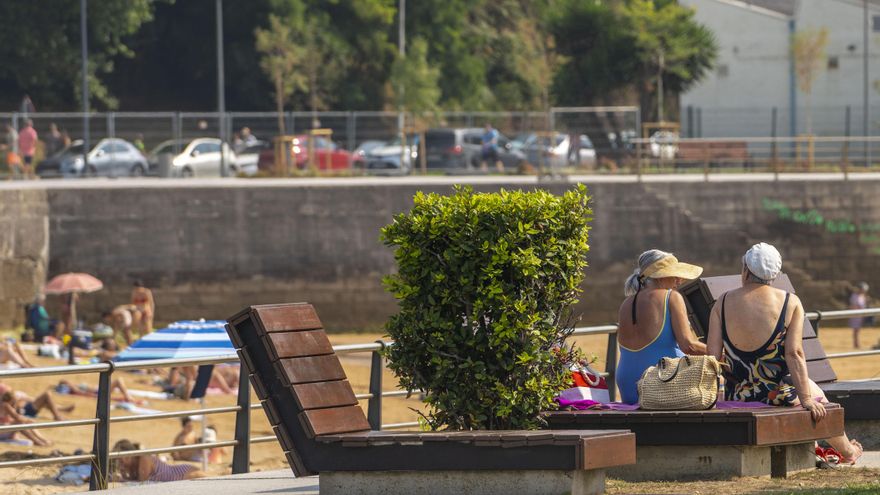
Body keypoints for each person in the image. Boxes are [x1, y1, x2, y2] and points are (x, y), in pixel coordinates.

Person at [707, 242, 863, 465]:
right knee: (815, 393)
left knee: (810, 389)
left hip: (737, 394)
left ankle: (826, 449)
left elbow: (713, 356)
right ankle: (848, 452)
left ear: (745, 270)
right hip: (777, 394)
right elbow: (794, 353)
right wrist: (807, 400)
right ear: (774, 274)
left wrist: (712, 399)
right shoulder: (790, 302)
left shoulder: (722, 302)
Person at [616, 249, 707, 405]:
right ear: (661, 275)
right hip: (661, 382)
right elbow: (689, 346)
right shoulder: (671, 297)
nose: (679, 280)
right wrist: (721, 353)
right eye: (675, 274)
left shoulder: (626, 303)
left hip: (627, 383)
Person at [112, 439, 206, 482]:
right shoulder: (133, 464)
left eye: (120, 459)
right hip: (177, 475)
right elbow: (132, 480)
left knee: (213, 482)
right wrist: (124, 473)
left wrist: (122, 478)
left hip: (181, 474)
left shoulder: (144, 457)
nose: (119, 462)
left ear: (129, 455)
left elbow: (141, 482)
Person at [0, 382, 74, 421]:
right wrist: (17, 406)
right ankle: (58, 415)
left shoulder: (4, 388)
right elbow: (10, 406)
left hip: (26, 406)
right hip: (25, 409)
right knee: (46, 395)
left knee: (45, 398)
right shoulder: (4, 391)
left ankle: (60, 409)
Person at [849, 282, 869, 349]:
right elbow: (853, 306)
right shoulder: (854, 296)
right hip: (856, 315)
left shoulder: (862, 296)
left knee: (858, 330)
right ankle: (856, 344)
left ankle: (857, 343)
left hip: (861, 315)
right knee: (856, 330)